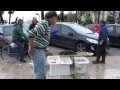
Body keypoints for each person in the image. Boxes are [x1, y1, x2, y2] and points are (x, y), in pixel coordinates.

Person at [28, 11, 57, 79]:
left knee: (41, 71)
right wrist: (31, 48)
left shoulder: (45, 23)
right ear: (53, 18)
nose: (56, 20)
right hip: (37, 50)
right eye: (56, 18)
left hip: (40, 50)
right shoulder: (45, 24)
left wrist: (45, 50)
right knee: (40, 73)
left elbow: (40, 37)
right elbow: (31, 34)